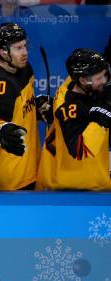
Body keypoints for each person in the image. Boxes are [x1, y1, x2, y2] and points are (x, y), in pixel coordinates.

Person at [0, 22, 51, 190]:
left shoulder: (22, 67)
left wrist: (37, 108)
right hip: (6, 179)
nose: (25, 53)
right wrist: (0, 130)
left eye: (25, 46)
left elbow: (19, 107)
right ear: (3, 52)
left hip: (28, 169)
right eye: (18, 48)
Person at [37, 49, 110, 191]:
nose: (104, 81)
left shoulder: (83, 83)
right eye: (99, 78)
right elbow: (80, 149)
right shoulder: (68, 106)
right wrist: (102, 118)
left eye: (105, 75)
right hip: (69, 188)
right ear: (83, 80)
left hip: (94, 179)